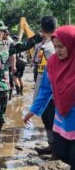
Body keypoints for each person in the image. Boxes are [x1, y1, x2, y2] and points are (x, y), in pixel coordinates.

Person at [24, 26, 75, 169]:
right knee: (62, 152)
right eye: (55, 46)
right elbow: (46, 89)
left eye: (61, 47)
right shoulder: (52, 63)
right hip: (62, 118)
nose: (57, 50)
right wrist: (33, 110)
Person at [31, 16, 57, 155]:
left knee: (51, 120)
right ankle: (52, 146)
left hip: (49, 93)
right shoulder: (45, 44)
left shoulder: (50, 47)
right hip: (44, 90)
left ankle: (56, 150)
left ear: (41, 29)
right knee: (46, 120)